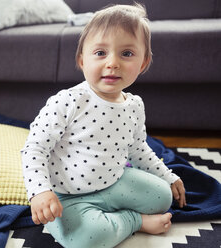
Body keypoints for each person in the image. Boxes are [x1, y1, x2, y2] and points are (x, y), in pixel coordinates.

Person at [21, 3, 187, 248]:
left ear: (143, 64)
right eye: (100, 53)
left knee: (163, 196)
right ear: (81, 60)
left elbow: (137, 149)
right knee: (86, 240)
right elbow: (34, 150)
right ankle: (134, 221)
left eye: (127, 54)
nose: (113, 63)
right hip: (67, 196)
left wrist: (167, 176)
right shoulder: (68, 101)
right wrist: (40, 192)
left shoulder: (134, 105)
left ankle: (111, 213)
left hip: (114, 182)